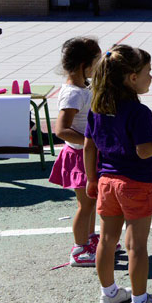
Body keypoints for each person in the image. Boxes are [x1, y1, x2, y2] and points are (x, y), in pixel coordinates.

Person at [84, 44, 152, 303]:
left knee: (107, 240)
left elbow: (89, 146)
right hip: (135, 183)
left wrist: (91, 179)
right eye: (148, 72)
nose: (151, 77)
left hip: (106, 181)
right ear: (131, 78)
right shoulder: (139, 112)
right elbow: (144, 150)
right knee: (136, 245)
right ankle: (139, 301)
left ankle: (109, 294)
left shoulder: (97, 107)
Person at [48, 37, 103, 266]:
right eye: (97, 62)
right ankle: (79, 249)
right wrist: (90, 143)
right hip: (80, 156)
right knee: (86, 204)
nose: (99, 67)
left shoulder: (83, 88)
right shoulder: (73, 93)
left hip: (86, 154)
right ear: (84, 65)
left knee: (91, 200)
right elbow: (61, 130)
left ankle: (89, 239)